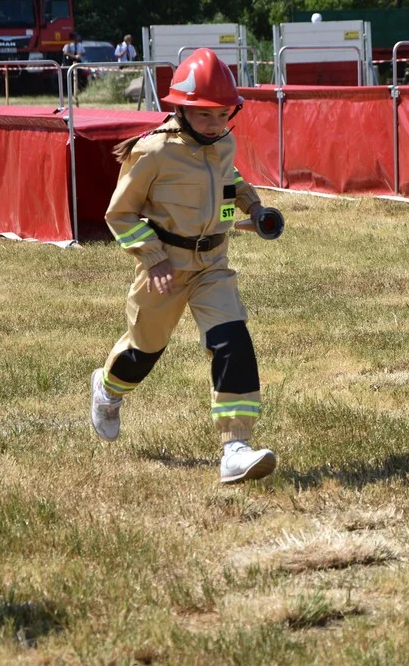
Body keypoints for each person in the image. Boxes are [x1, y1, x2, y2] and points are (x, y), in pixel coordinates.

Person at [90, 48, 282, 485]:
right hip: (165, 268)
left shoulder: (223, 144)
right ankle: (107, 389)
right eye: (205, 116)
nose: (216, 125)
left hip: (213, 265)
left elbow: (225, 187)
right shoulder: (153, 152)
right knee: (143, 352)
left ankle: (235, 447)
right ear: (180, 108)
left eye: (223, 115)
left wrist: (253, 211)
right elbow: (119, 215)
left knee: (232, 340)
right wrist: (152, 256)